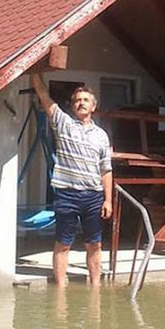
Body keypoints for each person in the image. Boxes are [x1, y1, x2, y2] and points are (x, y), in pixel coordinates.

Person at [30, 73, 113, 287]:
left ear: (93, 106)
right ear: (72, 106)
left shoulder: (102, 136)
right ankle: (60, 290)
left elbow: (106, 170)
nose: (81, 103)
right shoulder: (63, 124)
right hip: (67, 194)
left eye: (85, 100)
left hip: (93, 196)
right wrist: (34, 73)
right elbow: (44, 96)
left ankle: (95, 288)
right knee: (63, 244)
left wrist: (108, 200)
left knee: (94, 244)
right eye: (77, 100)